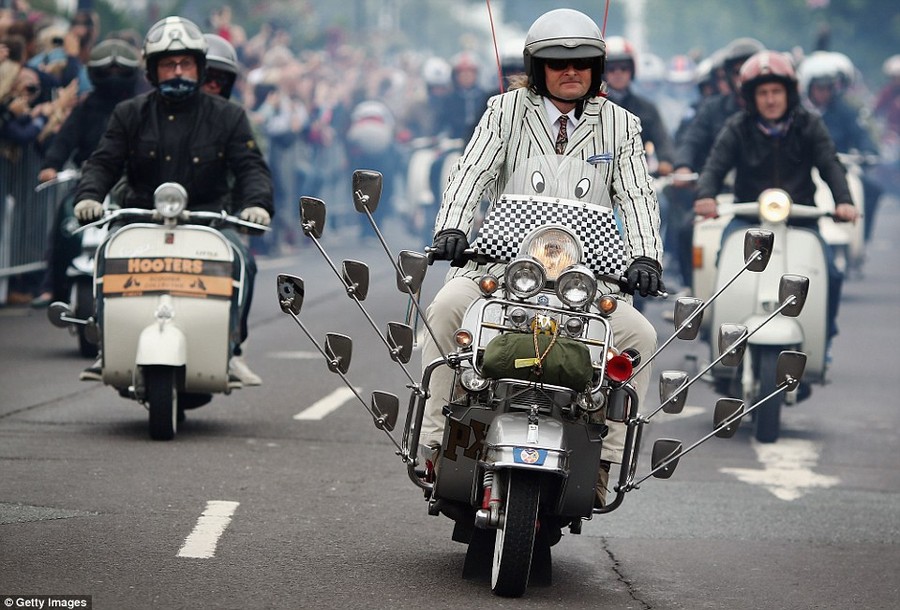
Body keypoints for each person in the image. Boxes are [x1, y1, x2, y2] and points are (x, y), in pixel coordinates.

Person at [421, 8, 664, 508]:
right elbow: (472, 175)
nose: (570, 72)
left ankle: (602, 462)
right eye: (556, 63)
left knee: (640, 336)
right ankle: (434, 443)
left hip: (586, 282)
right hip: (498, 270)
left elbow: (637, 195)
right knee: (446, 308)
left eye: (582, 64)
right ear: (537, 67)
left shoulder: (622, 125)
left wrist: (645, 257)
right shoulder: (504, 111)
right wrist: (451, 228)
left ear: (597, 70)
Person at [71, 16, 274, 386]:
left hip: (207, 219)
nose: (177, 71)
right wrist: (89, 197)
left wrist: (256, 204)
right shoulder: (129, 113)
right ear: (152, 70)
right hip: (141, 218)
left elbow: (251, 167)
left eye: (185, 63)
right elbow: (103, 162)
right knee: (104, 256)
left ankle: (231, 347)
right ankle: (106, 343)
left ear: (199, 68)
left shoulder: (228, 116)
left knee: (243, 262)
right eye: (168, 64)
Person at [693, 50, 858, 358]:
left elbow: (830, 164)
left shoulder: (809, 125)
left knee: (831, 275)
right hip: (748, 217)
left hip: (801, 218)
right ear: (751, 98)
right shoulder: (737, 127)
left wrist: (844, 201)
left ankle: (824, 334)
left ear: (789, 93)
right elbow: (715, 165)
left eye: (776, 92)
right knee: (723, 265)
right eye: (763, 93)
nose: (770, 99)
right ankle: (718, 332)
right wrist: (706, 195)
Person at [30, 38, 142, 309]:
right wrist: (51, 165)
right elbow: (65, 139)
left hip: (133, 184)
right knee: (65, 225)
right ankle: (54, 288)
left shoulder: (143, 108)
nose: (113, 79)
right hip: (87, 180)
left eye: (120, 72)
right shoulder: (85, 107)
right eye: (107, 72)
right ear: (95, 73)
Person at [667, 37, 766, 296]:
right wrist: (684, 166)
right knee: (688, 229)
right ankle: (694, 291)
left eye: (752, 70)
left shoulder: (779, 112)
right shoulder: (712, 109)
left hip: (767, 200)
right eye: (738, 72)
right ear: (728, 76)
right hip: (718, 193)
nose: (745, 78)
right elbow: (691, 140)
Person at [799, 51, 882, 246]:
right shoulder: (798, 112)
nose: (825, 93)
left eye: (829, 88)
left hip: (842, 165)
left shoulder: (846, 110)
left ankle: (861, 239)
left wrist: (868, 152)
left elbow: (862, 134)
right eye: (820, 87)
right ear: (808, 87)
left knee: (872, 188)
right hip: (806, 167)